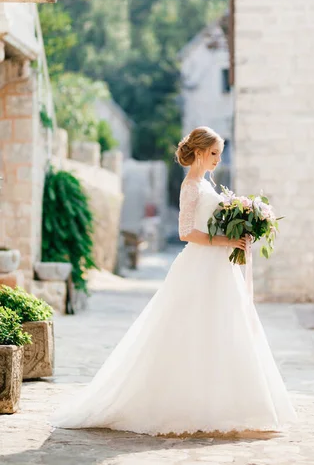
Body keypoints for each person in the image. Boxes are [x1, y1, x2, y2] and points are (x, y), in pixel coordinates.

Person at [51, 126, 297, 435]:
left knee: (226, 328)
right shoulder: (191, 186)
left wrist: (239, 229)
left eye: (220, 154)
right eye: (213, 153)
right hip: (199, 266)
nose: (218, 160)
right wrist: (225, 242)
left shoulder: (207, 183)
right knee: (189, 330)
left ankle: (228, 404)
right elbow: (185, 232)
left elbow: (212, 223)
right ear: (198, 153)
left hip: (219, 268)